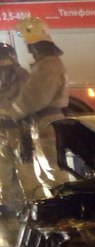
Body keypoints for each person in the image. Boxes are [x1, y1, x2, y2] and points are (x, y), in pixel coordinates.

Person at [0, 17, 71, 200]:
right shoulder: (46, 64)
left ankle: (65, 206)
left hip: (46, 122)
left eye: (28, 43)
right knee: (46, 172)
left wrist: (12, 114)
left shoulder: (48, 64)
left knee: (52, 171)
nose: (28, 47)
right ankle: (60, 205)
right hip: (41, 123)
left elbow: (35, 96)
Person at [0, 42, 40, 214]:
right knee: (25, 168)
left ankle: (4, 204)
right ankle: (33, 204)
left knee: (4, 170)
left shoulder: (20, 74)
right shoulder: (22, 74)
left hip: (7, 129)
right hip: (19, 129)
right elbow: (30, 101)